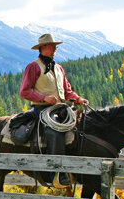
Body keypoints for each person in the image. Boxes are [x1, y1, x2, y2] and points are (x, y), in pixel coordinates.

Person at [19, 33, 88, 184]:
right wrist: (44, 98)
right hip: (43, 110)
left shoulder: (59, 68)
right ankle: (56, 173)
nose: (55, 48)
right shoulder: (33, 67)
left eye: (55, 46)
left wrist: (78, 99)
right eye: (52, 45)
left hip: (61, 108)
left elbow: (67, 90)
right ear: (42, 47)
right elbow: (24, 91)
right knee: (55, 132)